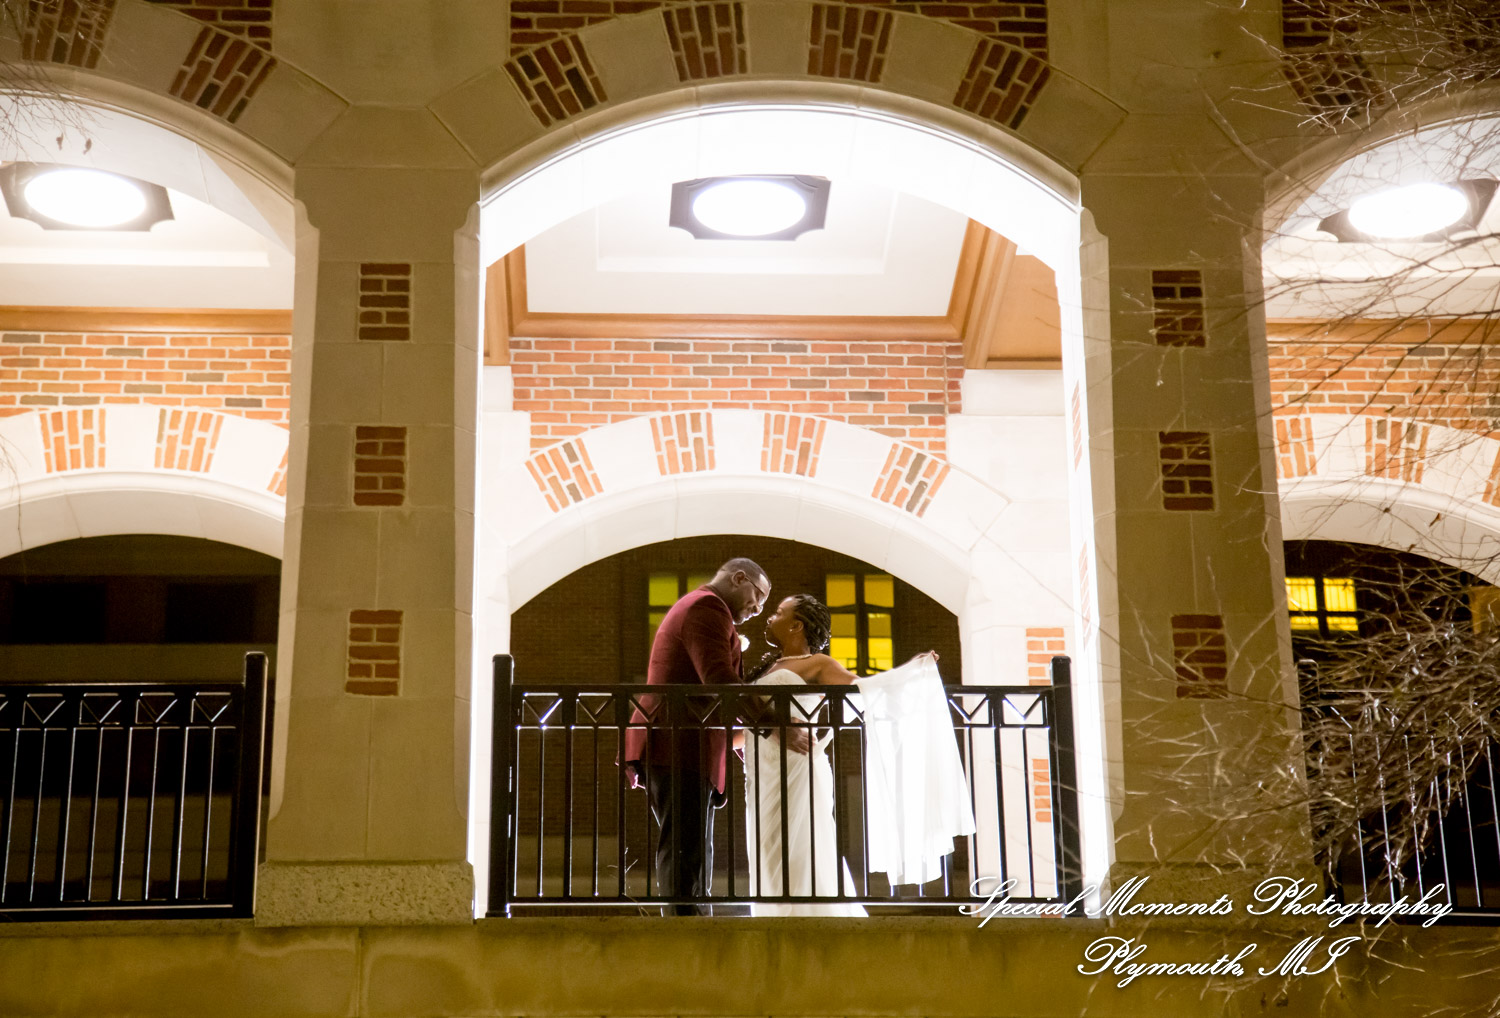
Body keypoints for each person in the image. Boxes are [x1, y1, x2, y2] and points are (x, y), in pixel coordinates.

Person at [741, 594, 937, 917]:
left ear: (796, 625)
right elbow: (749, 722)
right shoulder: (767, 668)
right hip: (763, 773)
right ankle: (775, 924)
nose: (769, 617)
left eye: (778, 612)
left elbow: (865, 690)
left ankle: (808, 928)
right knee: (767, 851)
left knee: (800, 850)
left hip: (798, 768)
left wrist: (910, 673)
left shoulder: (818, 663)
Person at [621, 557, 775, 916]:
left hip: (685, 740)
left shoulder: (704, 607)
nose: (757, 609)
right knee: (684, 850)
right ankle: (685, 936)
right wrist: (771, 725)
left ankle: (695, 929)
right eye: (758, 596)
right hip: (679, 740)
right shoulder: (707, 608)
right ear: (739, 578)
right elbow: (719, 679)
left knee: (694, 850)